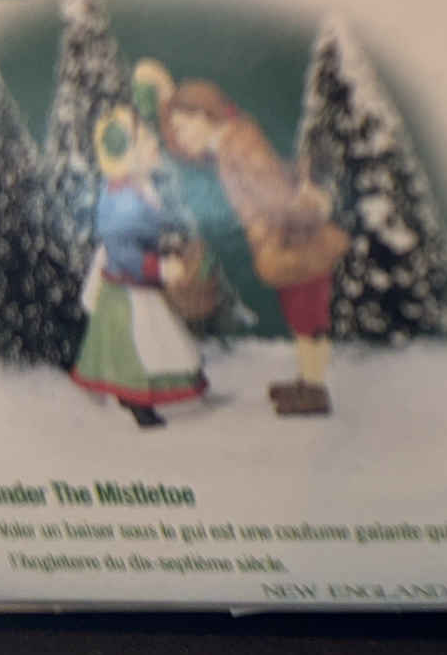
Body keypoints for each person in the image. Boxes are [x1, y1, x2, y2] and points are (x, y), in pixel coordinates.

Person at [155, 71, 350, 415]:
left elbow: (276, 196)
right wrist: (165, 98)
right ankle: (307, 382)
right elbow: (185, 152)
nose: (181, 137)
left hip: (294, 244)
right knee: (302, 321)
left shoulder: (240, 147)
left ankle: (314, 390)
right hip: (283, 241)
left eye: (183, 127)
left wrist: (309, 211)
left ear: (203, 117)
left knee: (309, 322)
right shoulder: (227, 143)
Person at [69, 71, 207, 429]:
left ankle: (137, 393)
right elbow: (122, 251)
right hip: (127, 285)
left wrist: (154, 90)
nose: (153, 142)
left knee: (147, 338)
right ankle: (135, 397)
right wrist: (159, 268)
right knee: (137, 341)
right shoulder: (122, 201)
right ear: (125, 155)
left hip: (135, 279)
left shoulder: (135, 185)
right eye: (144, 140)